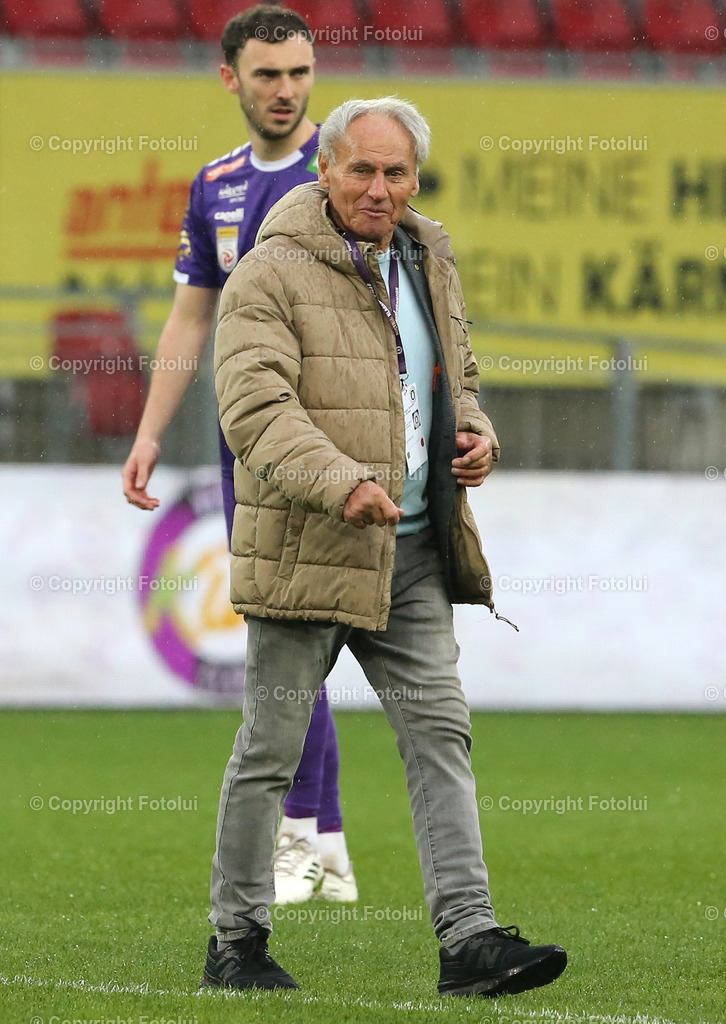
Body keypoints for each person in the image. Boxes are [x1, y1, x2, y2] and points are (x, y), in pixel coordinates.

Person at [204, 96, 568, 997]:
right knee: (270, 752)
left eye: (395, 172)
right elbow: (254, 407)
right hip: (308, 547)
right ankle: (236, 942)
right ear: (323, 170)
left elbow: (458, 376)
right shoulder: (269, 272)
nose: (379, 188)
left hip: (410, 553)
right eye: (361, 169)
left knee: (441, 734)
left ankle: (468, 940)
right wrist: (342, 482)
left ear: (414, 179)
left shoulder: (426, 256)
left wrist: (475, 432)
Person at [121, 5, 356, 904]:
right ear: (231, 79)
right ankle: (320, 849)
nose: (286, 90)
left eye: (298, 72)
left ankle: (306, 840)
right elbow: (191, 317)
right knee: (281, 633)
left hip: (329, 439)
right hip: (240, 446)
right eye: (267, 74)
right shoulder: (214, 185)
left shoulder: (343, 174)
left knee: (302, 636)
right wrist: (149, 431)